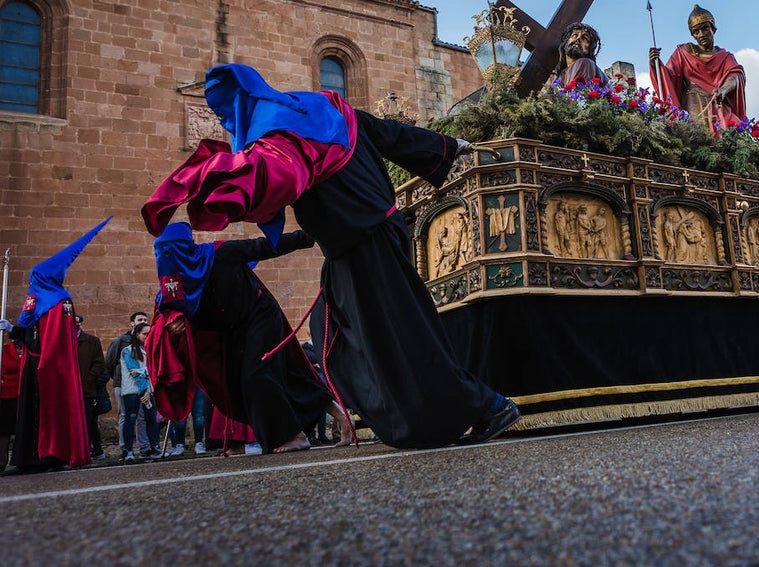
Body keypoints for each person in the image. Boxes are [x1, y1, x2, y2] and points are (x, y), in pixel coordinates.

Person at [142, 63, 520, 448]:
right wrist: (442, 148)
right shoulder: (322, 106)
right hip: (353, 245)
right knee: (334, 335)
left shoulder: (278, 136)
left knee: (403, 336)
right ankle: (416, 419)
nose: (226, 123)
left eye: (224, 113)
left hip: (366, 239)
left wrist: (217, 178)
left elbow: (276, 175)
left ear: (241, 101)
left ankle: (487, 406)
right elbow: (381, 131)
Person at [148, 222, 351, 455]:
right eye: (160, 252)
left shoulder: (220, 254)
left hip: (260, 316)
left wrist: (309, 235)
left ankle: (296, 435)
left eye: (170, 250)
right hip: (232, 332)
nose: (166, 258)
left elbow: (265, 246)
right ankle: (341, 417)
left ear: (186, 248)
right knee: (247, 381)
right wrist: (174, 326)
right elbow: (162, 323)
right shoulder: (172, 290)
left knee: (258, 375)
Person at [0, 219, 110, 471]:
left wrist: (34, 351)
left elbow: (48, 339)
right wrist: (14, 329)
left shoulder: (58, 302)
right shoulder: (47, 299)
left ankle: (45, 456)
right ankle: (29, 458)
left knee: (46, 414)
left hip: (44, 365)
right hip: (35, 362)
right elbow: (32, 330)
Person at [649, 4, 746, 135]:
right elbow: (668, 77)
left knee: (734, 133)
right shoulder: (683, 52)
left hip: (718, 103)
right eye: (696, 31)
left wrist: (723, 90)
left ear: (713, 28)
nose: (701, 34)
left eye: (705, 29)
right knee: (697, 136)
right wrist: (656, 64)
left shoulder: (725, 57)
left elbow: (735, 76)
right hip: (694, 103)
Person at [105, 310, 152, 456]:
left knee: (141, 417)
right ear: (132, 323)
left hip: (143, 385)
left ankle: (144, 447)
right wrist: (119, 379)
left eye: (145, 319)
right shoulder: (121, 341)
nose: (143, 321)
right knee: (125, 415)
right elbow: (110, 362)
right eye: (139, 319)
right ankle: (125, 447)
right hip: (123, 385)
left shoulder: (147, 341)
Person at [120, 321, 161, 461]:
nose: (147, 336)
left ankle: (155, 446)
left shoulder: (150, 350)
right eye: (145, 334)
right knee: (130, 419)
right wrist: (145, 390)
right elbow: (133, 372)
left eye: (150, 334)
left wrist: (144, 372)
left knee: (152, 419)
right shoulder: (128, 351)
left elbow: (154, 370)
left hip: (148, 390)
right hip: (133, 391)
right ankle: (128, 451)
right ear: (137, 335)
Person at [74, 314, 107, 460]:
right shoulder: (61, 340)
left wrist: (88, 378)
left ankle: (88, 450)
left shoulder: (92, 341)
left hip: (86, 389)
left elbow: (100, 363)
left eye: (77, 322)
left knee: (88, 422)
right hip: (69, 390)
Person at [555, 22, 609, 88]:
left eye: (585, 38)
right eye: (574, 35)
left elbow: (578, 95)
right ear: (566, 41)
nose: (578, 39)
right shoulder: (562, 75)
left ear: (589, 49)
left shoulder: (585, 63)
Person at [0, 338, 20, 472]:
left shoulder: (31, 349)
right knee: (4, 431)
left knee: (22, 429)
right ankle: (2, 461)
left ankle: (21, 460)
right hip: (6, 395)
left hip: (23, 394)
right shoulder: (5, 350)